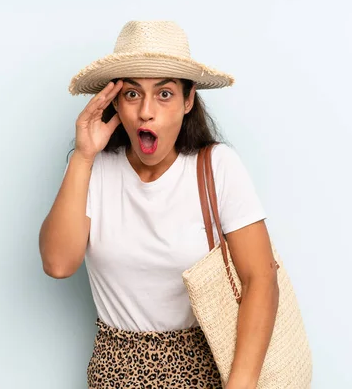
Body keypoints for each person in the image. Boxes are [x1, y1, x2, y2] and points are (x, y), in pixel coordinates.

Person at [39, 21, 279, 389]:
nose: (146, 112)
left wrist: (241, 385)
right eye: (132, 94)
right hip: (113, 376)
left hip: (206, 373)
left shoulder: (217, 166)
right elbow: (57, 264)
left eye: (164, 94)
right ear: (116, 102)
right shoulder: (96, 170)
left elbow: (260, 278)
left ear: (188, 100)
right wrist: (83, 157)